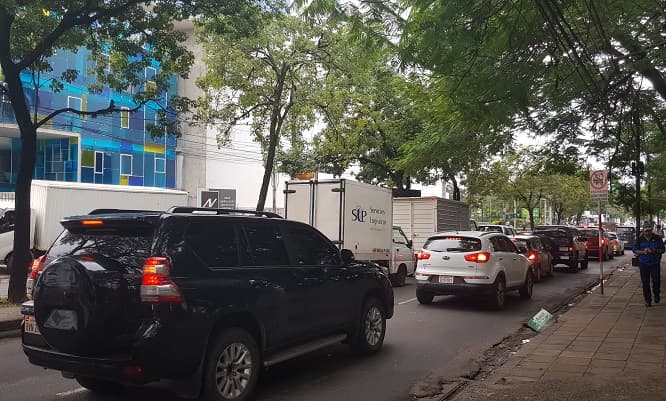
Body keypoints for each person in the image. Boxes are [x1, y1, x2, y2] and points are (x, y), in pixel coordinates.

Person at [633, 224, 665, 307]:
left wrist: (653, 251)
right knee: (645, 282)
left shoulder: (657, 238)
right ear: (643, 231)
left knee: (656, 281)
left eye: (649, 230)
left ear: (651, 230)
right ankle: (648, 300)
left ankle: (656, 294)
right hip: (643, 263)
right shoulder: (639, 239)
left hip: (655, 263)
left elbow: (663, 249)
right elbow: (635, 250)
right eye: (646, 231)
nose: (647, 232)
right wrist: (643, 252)